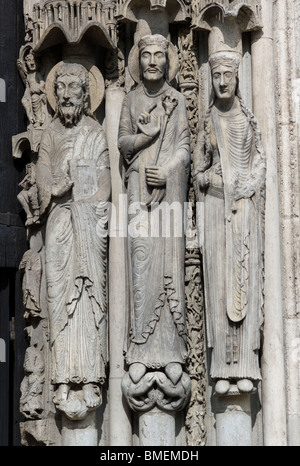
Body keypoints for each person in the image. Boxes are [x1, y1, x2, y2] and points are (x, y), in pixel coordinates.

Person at [36, 63, 110, 416]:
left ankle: (92, 377)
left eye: (73, 89)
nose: (65, 95)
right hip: (60, 226)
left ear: (86, 95)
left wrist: (90, 202)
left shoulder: (96, 133)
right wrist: (57, 187)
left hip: (87, 224)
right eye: (60, 88)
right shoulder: (50, 134)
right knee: (60, 301)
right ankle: (62, 377)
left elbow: (106, 182)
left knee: (89, 299)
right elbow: (42, 180)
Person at [118, 34, 190, 386]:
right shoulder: (131, 101)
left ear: (167, 61)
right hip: (137, 195)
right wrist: (147, 138)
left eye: (158, 56)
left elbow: (185, 148)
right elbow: (123, 143)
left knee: (169, 267)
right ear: (138, 61)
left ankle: (172, 351)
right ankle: (140, 351)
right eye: (145, 55)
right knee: (140, 266)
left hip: (168, 199)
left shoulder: (177, 101)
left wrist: (167, 172)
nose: (151, 61)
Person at [193, 51, 266, 394]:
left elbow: (260, 164)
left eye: (228, 75)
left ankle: (247, 366)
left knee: (246, 285)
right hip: (214, 210)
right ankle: (222, 366)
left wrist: (244, 186)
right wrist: (206, 177)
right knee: (219, 285)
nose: (222, 82)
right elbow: (197, 169)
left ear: (237, 78)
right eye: (216, 76)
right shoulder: (209, 120)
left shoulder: (248, 121)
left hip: (244, 210)